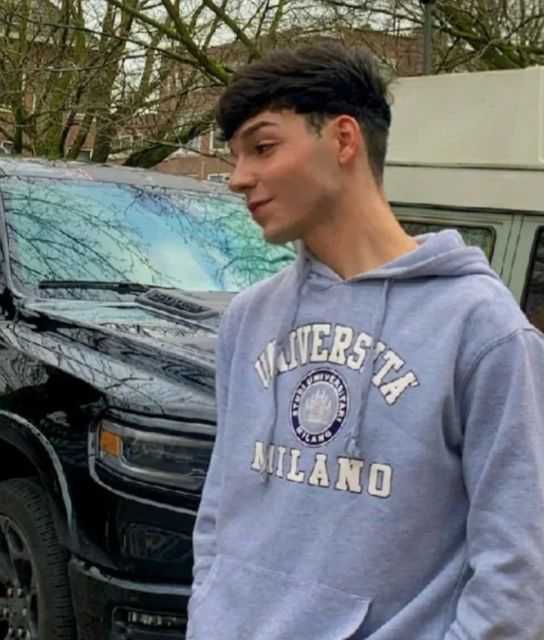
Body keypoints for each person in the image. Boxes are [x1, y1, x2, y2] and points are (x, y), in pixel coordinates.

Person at [187, 41, 544, 639]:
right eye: (236, 156)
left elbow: (518, 572)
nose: (237, 178)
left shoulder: (484, 330)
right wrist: (208, 615)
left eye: (262, 147)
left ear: (344, 139)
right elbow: (220, 509)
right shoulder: (248, 318)